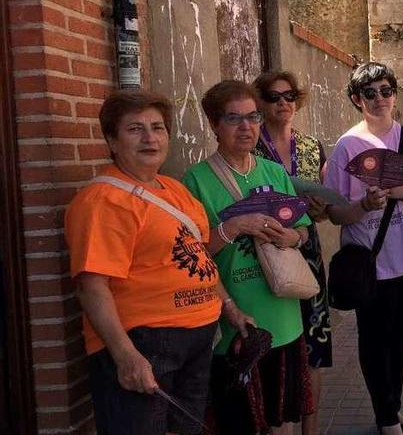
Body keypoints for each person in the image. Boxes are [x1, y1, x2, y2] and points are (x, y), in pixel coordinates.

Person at [66, 90, 245, 435]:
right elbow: (91, 286)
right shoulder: (104, 200)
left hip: (196, 340)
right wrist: (126, 356)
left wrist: (228, 306)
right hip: (146, 344)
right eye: (135, 129)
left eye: (158, 127)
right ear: (112, 141)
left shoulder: (173, 189)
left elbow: (199, 256)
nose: (150, 137)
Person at [181, 80, 313, 435]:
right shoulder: (195, 181)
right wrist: (234, 225)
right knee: (241, 422)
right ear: (214, 125)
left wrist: (291, 236)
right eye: (234, 119)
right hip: (236, 321)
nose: (247, 127)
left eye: (253, 117)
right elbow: (193, 258)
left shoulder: (273, 172)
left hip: (283, 313)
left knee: (284, 419)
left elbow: (302, 229)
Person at [323, 62, 403, 435]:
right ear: (357, 99)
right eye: (370, 93)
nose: (380, 98)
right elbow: (335, 214)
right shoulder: (347, 147)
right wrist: (365, 206)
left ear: (395, 94)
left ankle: (393, 410)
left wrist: (402, 190)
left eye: (386, 90)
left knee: (401, 340)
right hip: (372, 262)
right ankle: (387, 420)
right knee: (375, 342)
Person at [252, 70, 331, 435]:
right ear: (261, 103)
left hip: (306, 252)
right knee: (274, 347)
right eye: (273, 96)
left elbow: (324, 208)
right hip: (261, 253)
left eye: (289, 96)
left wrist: (320, 210)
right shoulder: (250, 147)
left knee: (313, 347)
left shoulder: (313, 146)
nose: (283, 103)